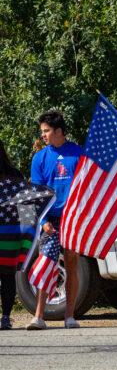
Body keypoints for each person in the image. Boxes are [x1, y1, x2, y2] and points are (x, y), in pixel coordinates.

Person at [27, 111, 82, 330]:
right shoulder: (39, 158)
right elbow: (36, 195)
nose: (43, 135)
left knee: (71, 264)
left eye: (46, 131)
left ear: (59, 131)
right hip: (50, 220)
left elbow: (86, 188)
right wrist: (43, 221)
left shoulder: (78, 153)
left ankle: (70, 316)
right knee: (46, 263)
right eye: (42, 131)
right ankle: (38, 317)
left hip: (72, 219)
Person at [0, 141, 24, 330]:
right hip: (11, 234)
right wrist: (28, 234)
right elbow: (27, 207)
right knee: (8, 276)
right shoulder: (16, 175)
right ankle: (6, 317)